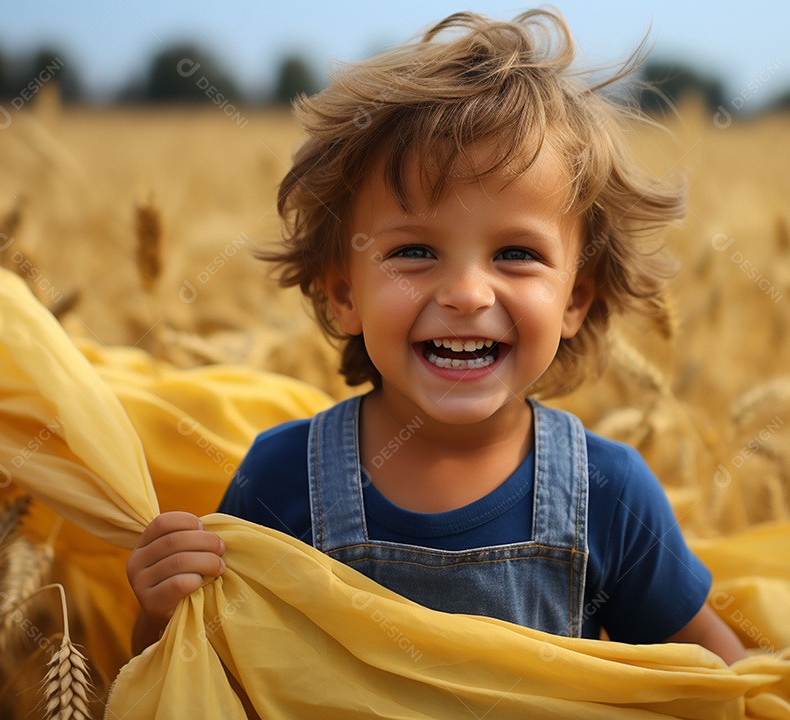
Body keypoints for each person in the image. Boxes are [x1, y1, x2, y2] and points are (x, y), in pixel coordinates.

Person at [127, 8, 746, 664]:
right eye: (416, 251)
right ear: (344, 293)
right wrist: (162, 616)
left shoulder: (610, 495)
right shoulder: (282, 481)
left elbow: (721, 683)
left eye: (516, 254)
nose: (467, 293)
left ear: (576, 299)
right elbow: (191, 678)